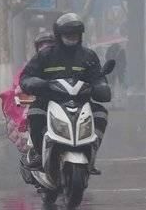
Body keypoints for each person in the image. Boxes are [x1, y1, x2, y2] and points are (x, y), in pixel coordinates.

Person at [20, 13, 111, 175]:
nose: (72, 37)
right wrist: (35, 83)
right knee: (35, 113)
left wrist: (101, 86)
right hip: (50, 101)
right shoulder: (45, 56)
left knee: (101, 114)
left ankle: (91, 152)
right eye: (68, 34)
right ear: (59, 35)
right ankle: (40, 155)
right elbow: (26, 76)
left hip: (81, 103)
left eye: (75, 34)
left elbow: (98, 77)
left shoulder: (88, 56)